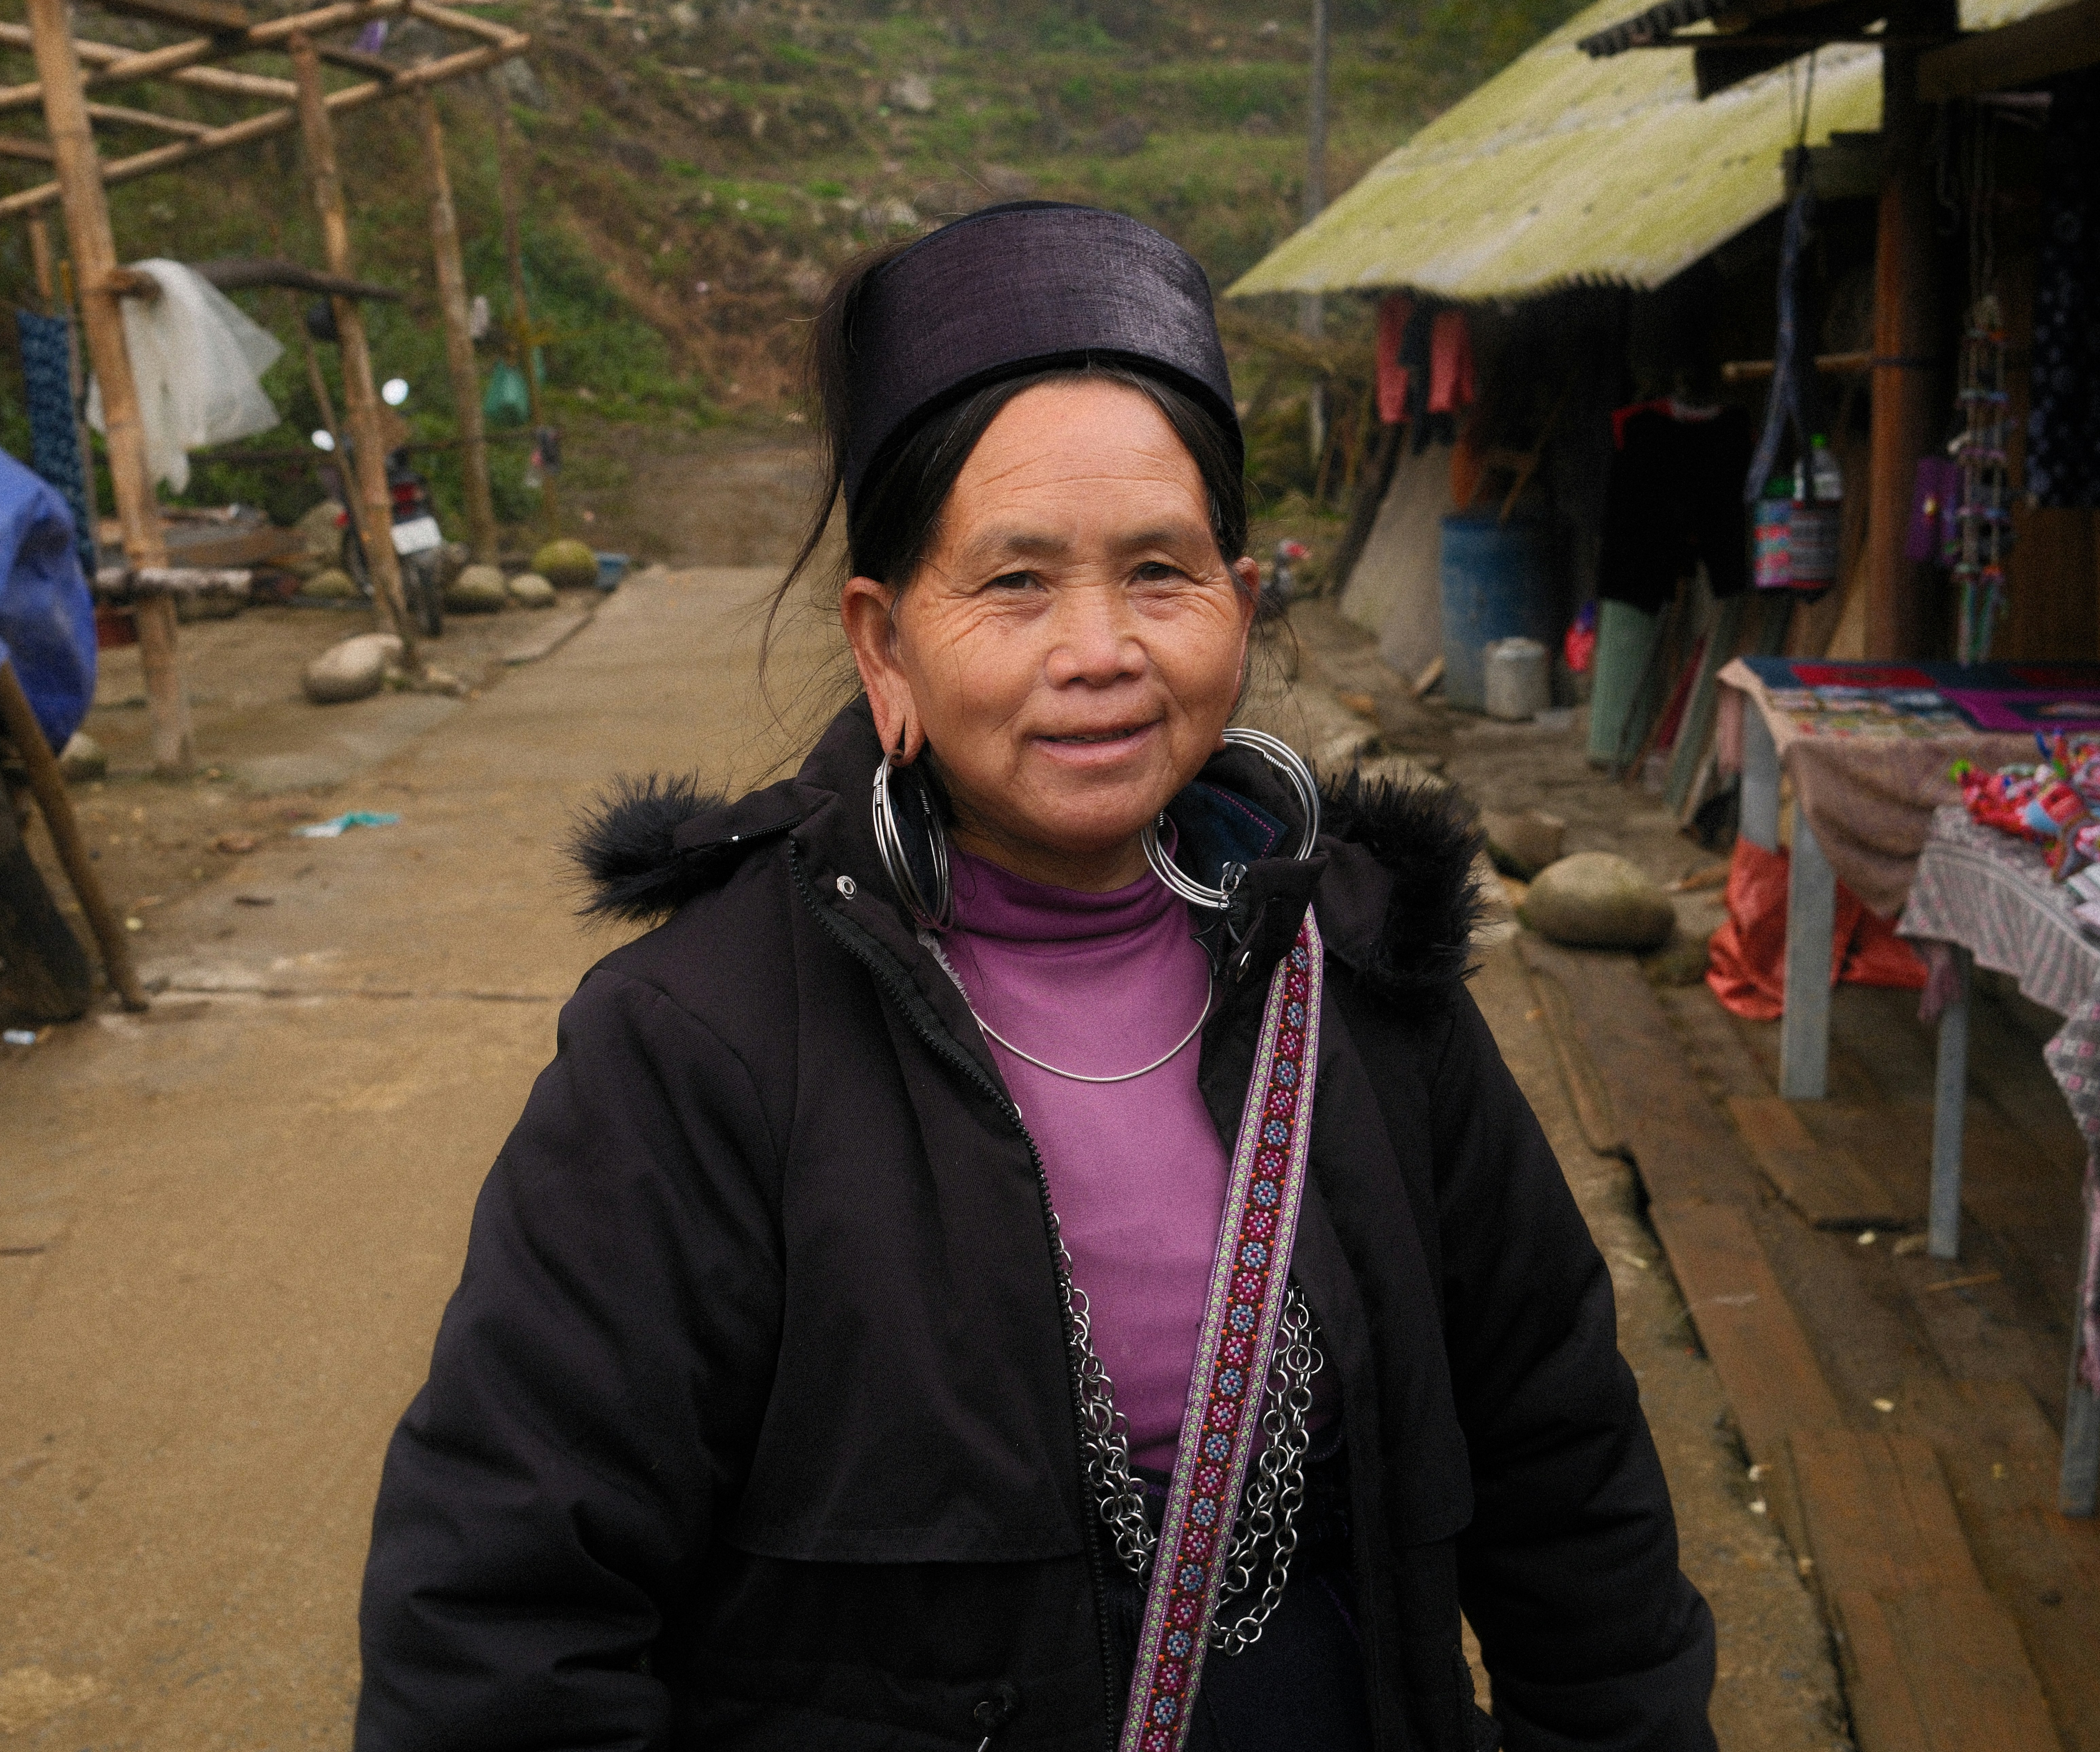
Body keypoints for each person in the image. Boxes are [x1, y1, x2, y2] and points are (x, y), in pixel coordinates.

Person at [356, 202, 1716, 1752]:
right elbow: (499, 1623)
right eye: (1013, 584)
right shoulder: (697, 1047)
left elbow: (1568, 1472)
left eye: (1161, 571)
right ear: (885, 645)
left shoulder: (1362, 979)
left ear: (1243, 605)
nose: (1102, 649)